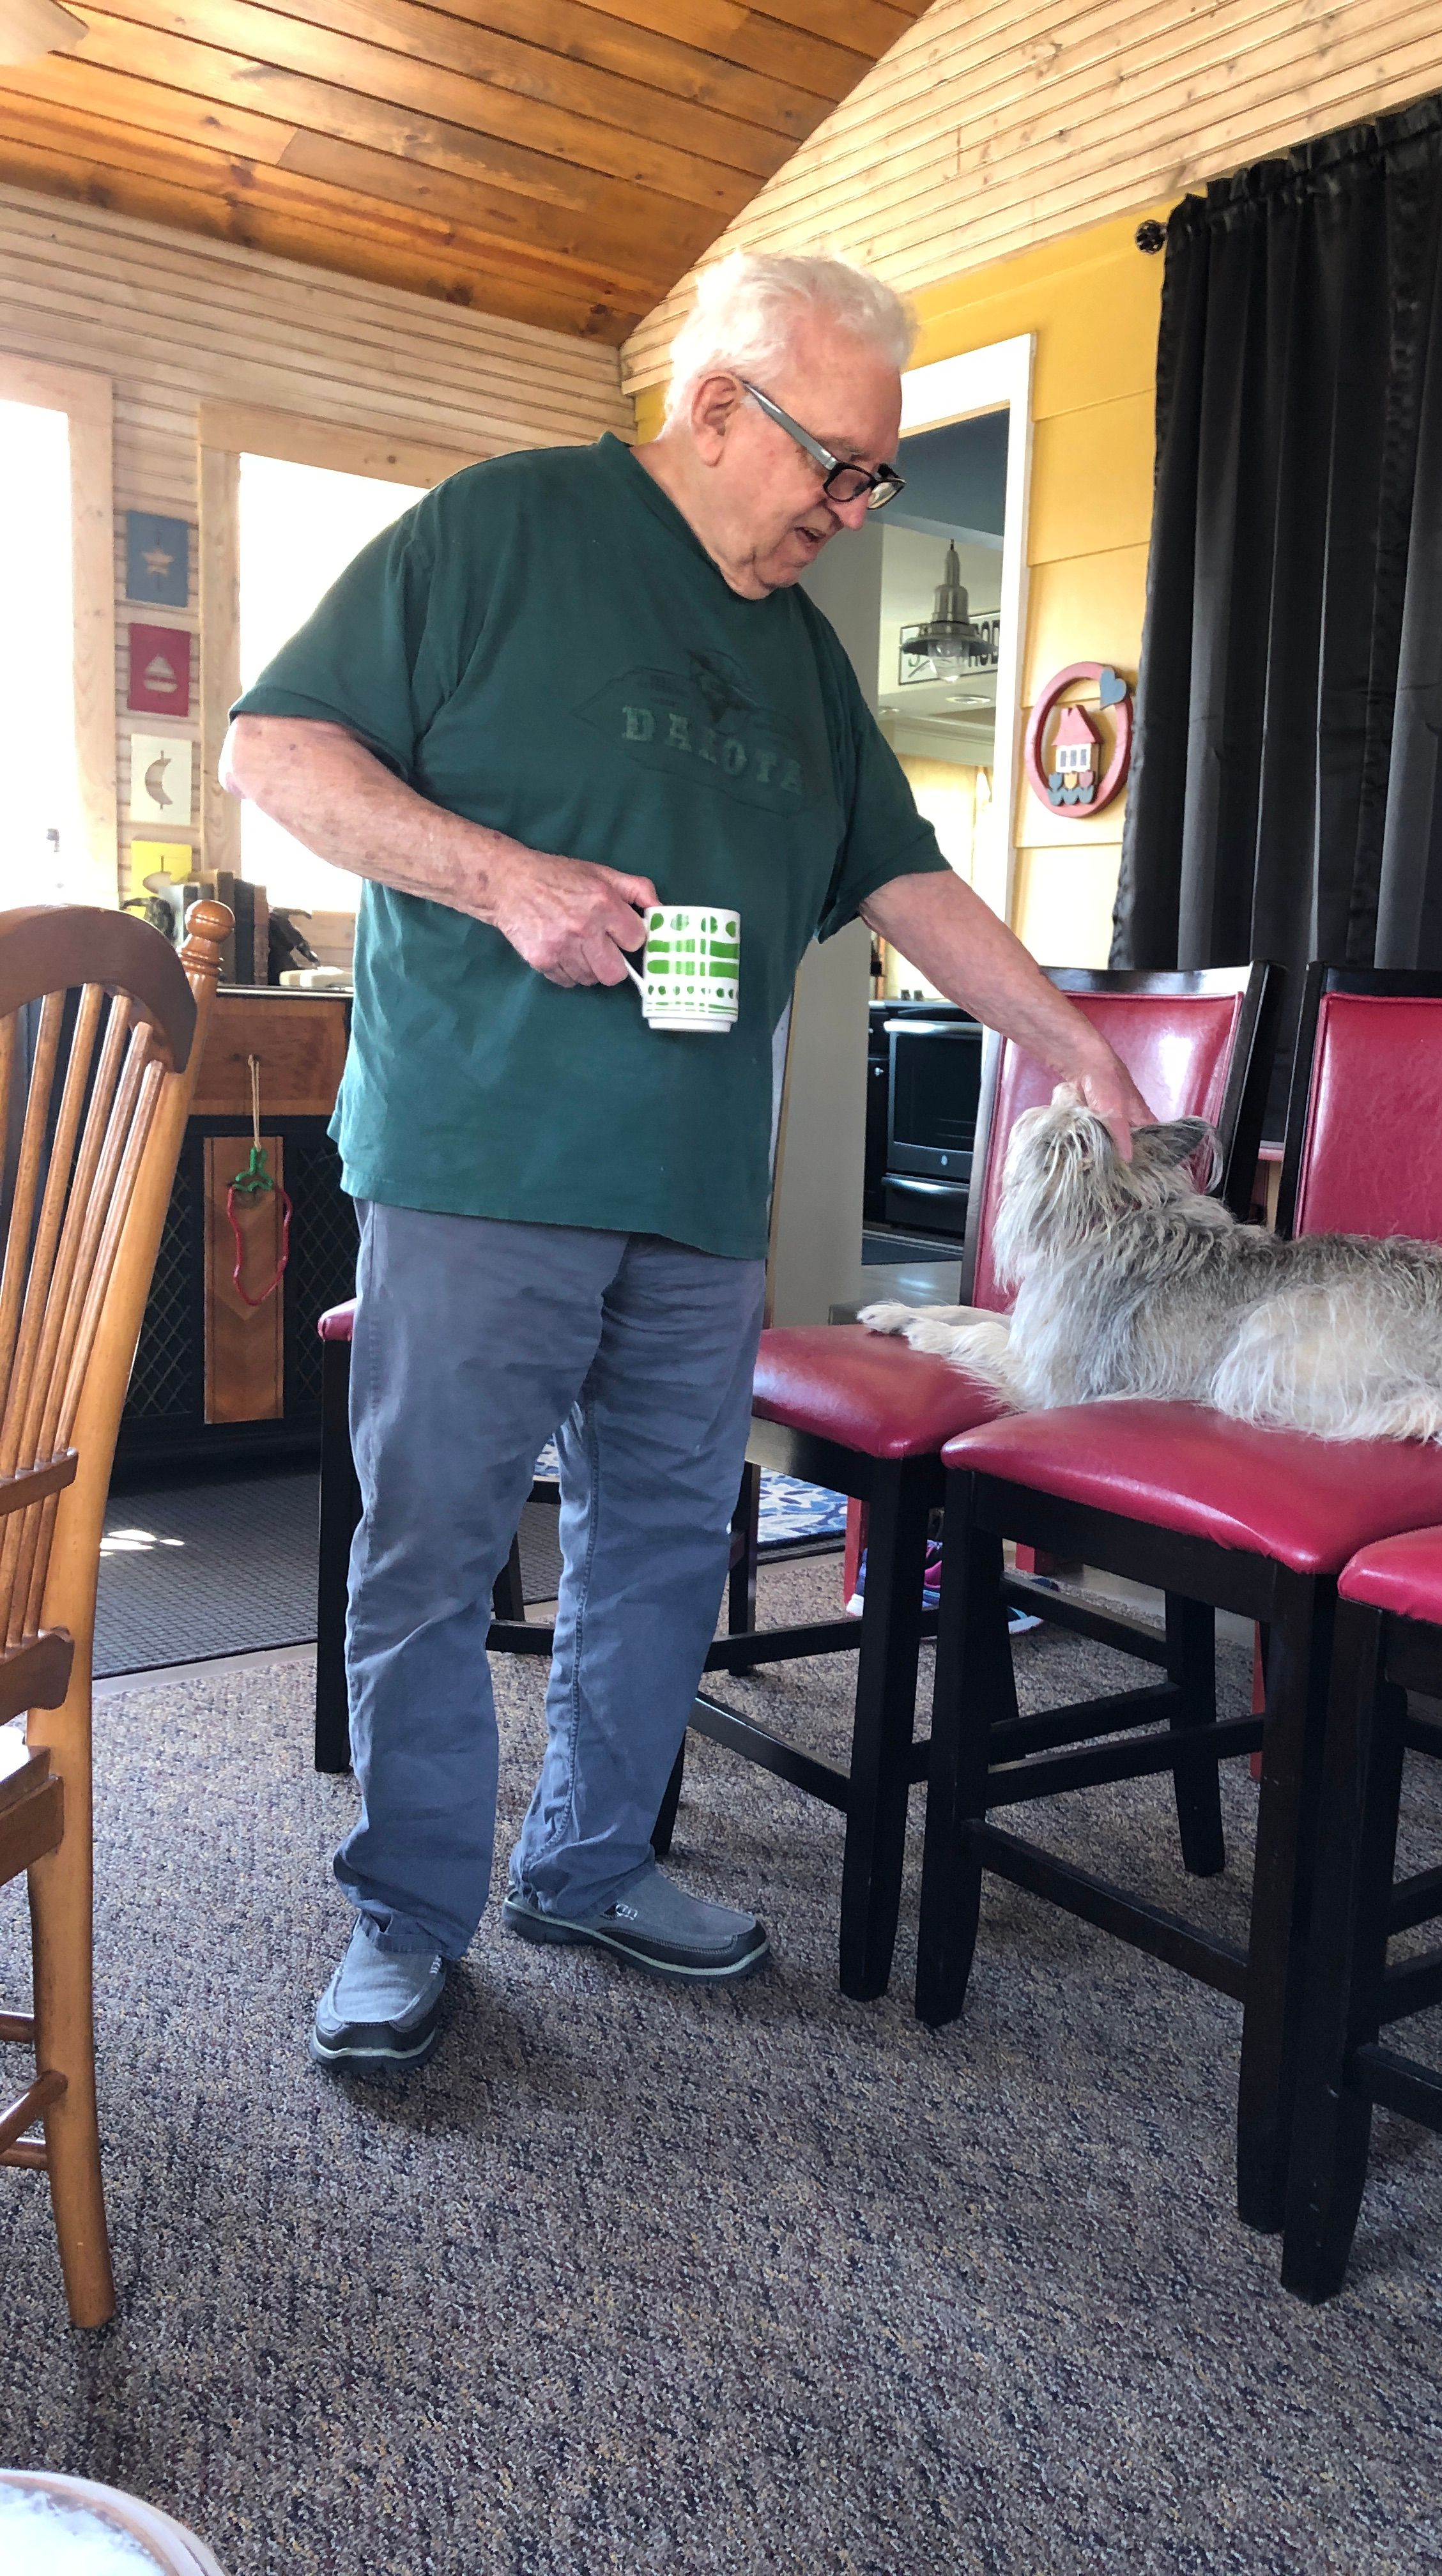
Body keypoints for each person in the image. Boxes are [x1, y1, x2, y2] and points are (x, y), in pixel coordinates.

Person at [221, 251, 1154, 2074]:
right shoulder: (502, 530)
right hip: (482, 1156)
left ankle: (588, 1864)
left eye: (878, 477)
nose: (855, 508)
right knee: (436, 1552)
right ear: (720, 406)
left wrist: (1074, 1045)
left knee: (661, 1545)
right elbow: (278, 750)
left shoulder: (802, 654)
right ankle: (405, 1915)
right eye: (839, 465)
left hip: (700, 1184)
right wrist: (507, 881)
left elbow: (907, 879)